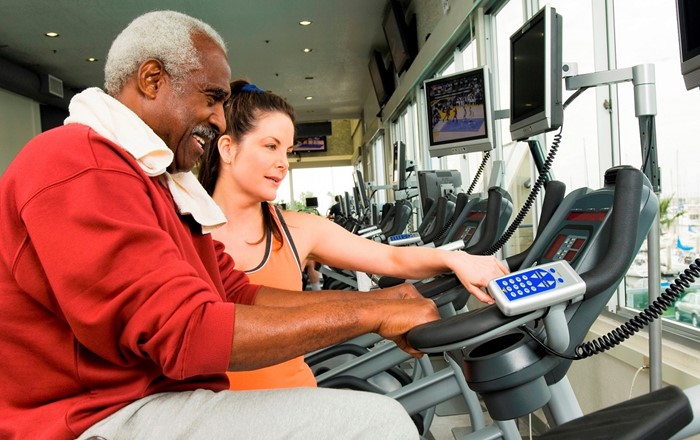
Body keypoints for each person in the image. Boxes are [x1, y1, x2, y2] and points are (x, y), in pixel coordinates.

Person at [0, 11, 443, 440]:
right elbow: (185, 331)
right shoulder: (80, 163)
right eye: (211, 99)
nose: (218, 118)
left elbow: (237, 294)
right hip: (94, 419)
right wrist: (372, 313)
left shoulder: (155, 183)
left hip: (154, 401)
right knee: (376, 424)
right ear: (152, 80)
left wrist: (385, 300)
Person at [197, 80, 510, 391]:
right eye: (270, 146)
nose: (283, 164)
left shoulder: (298, 230)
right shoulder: (180, 235)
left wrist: (455, 259)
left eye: (287, 151)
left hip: (295, 401)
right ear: (228, 148)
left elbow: (390, 256)